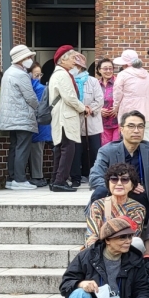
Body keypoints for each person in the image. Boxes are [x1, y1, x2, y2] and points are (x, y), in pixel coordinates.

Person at [88, 110, 149, 218]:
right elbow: (94, 177)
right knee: (100, 192)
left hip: (139, 196)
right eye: (131, 126)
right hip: (113, 193)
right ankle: (101, 223)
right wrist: (124, 186)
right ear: (121, 129)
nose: (136, 130)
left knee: (141, 196)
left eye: (140, 126)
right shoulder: (107, 151)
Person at [49, 46, 90, 192]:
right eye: (73, 58)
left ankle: (55, 180)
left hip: (61, 115)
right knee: (67, 148)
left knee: (61, 149)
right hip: (65, 116)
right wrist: (83, 108)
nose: (75, 61)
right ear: (63, 59)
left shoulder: (59, 73)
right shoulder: (63, 74)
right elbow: (70, 97)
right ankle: (60, 181)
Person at [0, 44, 39, 190]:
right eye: (28, 57)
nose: (30, 60)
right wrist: (38, 108)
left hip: (10, 118)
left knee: (14, 147)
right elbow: (30, 97)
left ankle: (11, 178)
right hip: (22, 117)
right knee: (22, 148)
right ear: (21, 59)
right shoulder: (21, 74)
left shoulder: (8, 72)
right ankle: (20, 179)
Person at [85, 163, 146, 248]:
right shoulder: (98, 205)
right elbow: (92, 235)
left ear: (132, 185)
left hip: (126, 249)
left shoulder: (138, 208)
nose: (119, 183)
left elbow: (133, 235)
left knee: (137, 242)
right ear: (108, 183)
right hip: (100, 249)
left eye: (125, 179)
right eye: (114, 179)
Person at [70, 53, 103, 188]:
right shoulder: (69, 81)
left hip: (91, 121)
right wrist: (80, 108)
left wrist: (90, 108)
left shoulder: (93, 81)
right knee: (75, 151)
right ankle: (75, 177)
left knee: (94, 150)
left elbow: (99, 99)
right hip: (75, 121)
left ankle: (94, 176)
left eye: (75, 65)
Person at [112, 49, 149, 143]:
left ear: (125, 64)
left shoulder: (123, 74)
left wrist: (115, 108)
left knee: (130, 143)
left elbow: (117, 93)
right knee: (146, 143)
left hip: (130, 113)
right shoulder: (147, 74)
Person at [29, 62, 51, 187]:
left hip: (36, 123)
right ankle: (38, 176)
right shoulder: (41, 88)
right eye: (36, 75)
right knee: (37, 151)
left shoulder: (35, 88)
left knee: (36, 150)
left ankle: (37, 176)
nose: (38, 77)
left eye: (40, 74)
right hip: (41, 124)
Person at [97, 58, 119, 146]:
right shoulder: (96, 84)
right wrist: (99, 110)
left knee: (116, 147)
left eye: (110, 68)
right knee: (105, 148)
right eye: (105, 69)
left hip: (118, 122)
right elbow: (90, 101)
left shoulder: (118, 82)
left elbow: (127, 99)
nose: (108, 71)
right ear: (99, 70)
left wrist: (118, 108)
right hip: (102, 124)